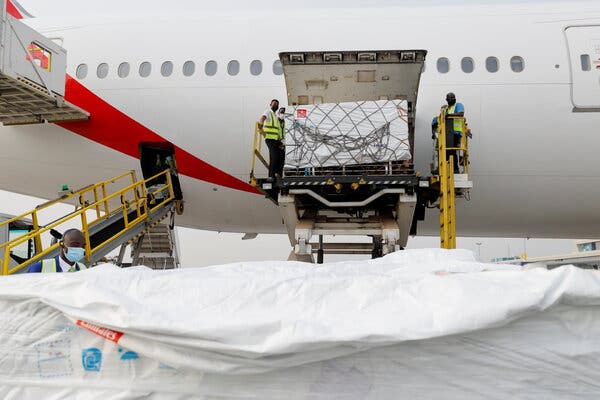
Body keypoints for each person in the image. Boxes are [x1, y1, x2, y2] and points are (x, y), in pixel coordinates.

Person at [431, 92, 465, 173]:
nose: (450, 100)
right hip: (446, 133)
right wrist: (433, 129)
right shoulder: (446, 109)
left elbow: (461, 114)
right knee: (441, 150)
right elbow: (439, 119)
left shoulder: (458, 105)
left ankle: (455, 169)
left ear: (455, 99)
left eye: (452, 98)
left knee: (451, 151)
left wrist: (449, 115)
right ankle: (441, 168)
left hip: (455, 132)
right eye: (449, 99)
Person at [258, 99, 284, 179]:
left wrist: (281, 141)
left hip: (276, 140)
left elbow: (278, 130)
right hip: (269, 139)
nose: (275, 105)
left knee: (281, 156)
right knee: (275, 157)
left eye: (277, 104)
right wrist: (261, 124)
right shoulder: (268, 112)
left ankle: (279, 174)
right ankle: (271, 176)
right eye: (274, 104)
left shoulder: (275, 116)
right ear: (270, 105)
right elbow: (263, 117)